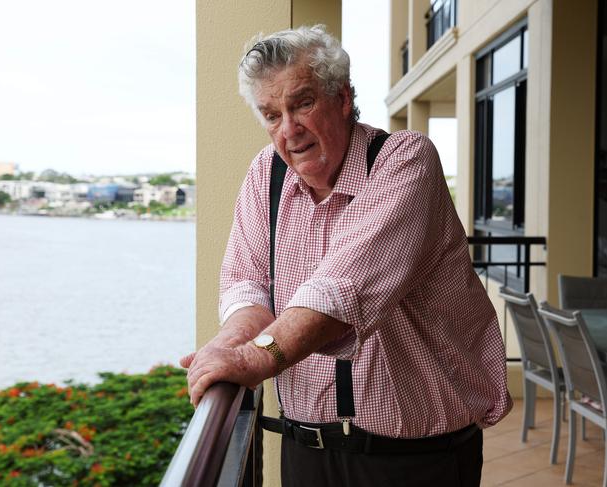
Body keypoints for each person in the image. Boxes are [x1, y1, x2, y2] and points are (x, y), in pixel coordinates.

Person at [181, 24, 512, 487]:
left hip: (415, 459)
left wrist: (254, 360)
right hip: (306, 451)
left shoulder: (403, 161)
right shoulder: (266, 175)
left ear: (342, 98)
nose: (289, 130)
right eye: (272, 115)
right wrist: (229, 344)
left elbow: (339, 292)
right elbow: (247, 286)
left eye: (302, 103)